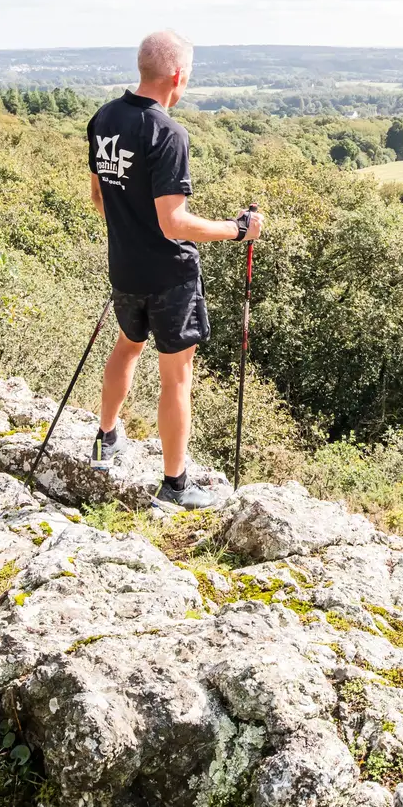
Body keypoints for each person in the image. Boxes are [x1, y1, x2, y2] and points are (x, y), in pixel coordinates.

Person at [86, 29, 262, 509]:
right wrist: (237, 229)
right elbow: (175, 222)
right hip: (169, 275)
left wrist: (128, 235)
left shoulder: (103, 119)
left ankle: (106, 438)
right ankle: (175, 485)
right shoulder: (168, 133)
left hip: (123, 266)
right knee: (176, 377)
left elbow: (99, 196)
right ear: (178, 76)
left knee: (127, 346)